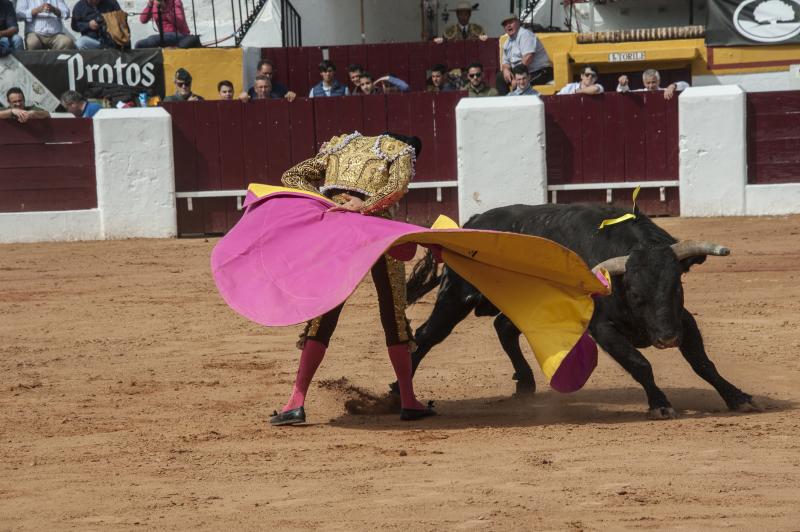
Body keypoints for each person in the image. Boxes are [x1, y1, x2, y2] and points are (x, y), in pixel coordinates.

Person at [273, 131, 434, 425]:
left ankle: (294, 403)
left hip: (338, 229)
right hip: (379, 231)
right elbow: (395, 189)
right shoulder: (402, 150)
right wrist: (364, 205)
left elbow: (292, 176)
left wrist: (324, 201)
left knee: (324, 311)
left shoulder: (341, 144)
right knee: (393, 312)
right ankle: (409, 400)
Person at [499, 14, 552, 95]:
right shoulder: (507, 43)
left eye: (511, 22)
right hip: (522, 72)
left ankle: (518, 104)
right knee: (500, 77)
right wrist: (506, 70)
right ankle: (505, 104)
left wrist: (516, 76)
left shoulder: (525, 35)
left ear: (518, 23)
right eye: (505, 24)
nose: (508, 25)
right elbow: (505, 63)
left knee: (521, 82)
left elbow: (528, 57)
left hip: (539, 71)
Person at [617, 69, 690, 100]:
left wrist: (673, 86)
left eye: (653, 82)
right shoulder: (639, 93)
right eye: (648, 83)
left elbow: (686, 85)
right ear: (643, 83)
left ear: (659, 81)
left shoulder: (666, 91)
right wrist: (623, 84)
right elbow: (622, 91)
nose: (651, 86)